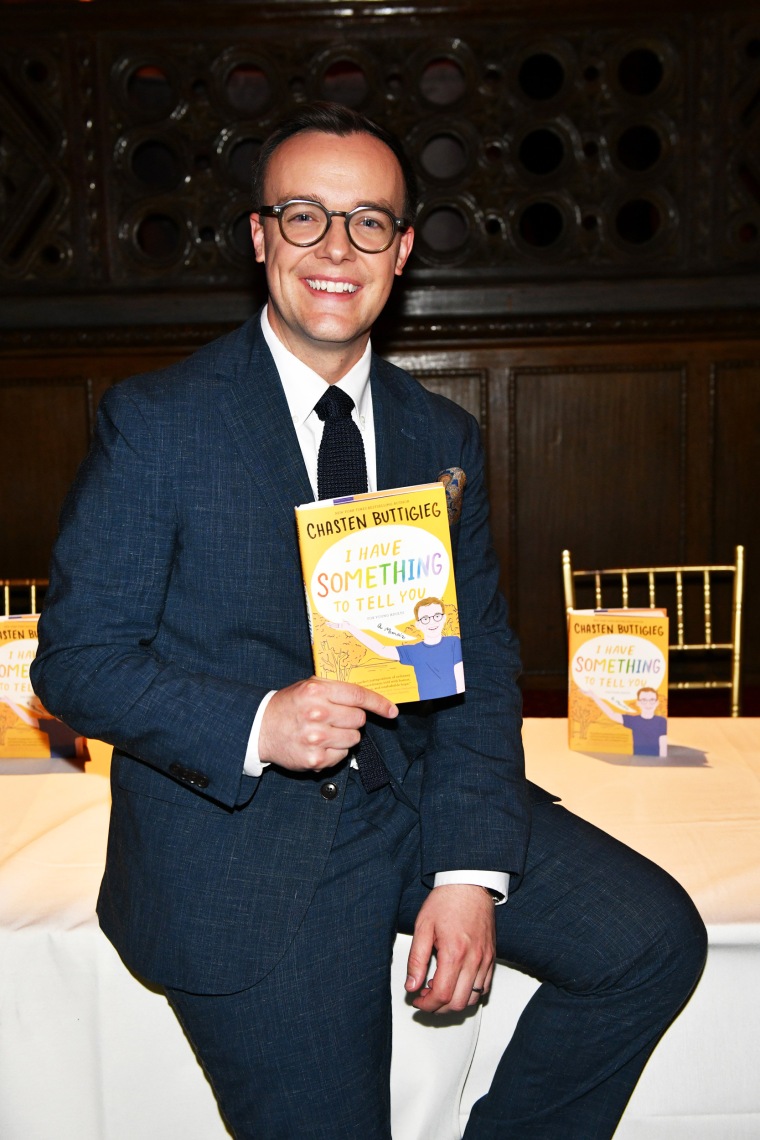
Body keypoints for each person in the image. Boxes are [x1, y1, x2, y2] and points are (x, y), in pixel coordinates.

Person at [31, 102, 706, 1139]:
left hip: (414, 793)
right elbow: (75, 665)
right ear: (259, 237)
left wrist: (468, 870)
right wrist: (259, 722)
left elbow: (475, 662)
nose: (335, 248)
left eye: (368, 223)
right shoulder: (158, 424)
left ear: (400, 254)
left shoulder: (440, 435)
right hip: (241, 841)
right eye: (304, 216)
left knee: (650, 942)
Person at [331, 596, 465, 699]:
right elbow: (381, 649)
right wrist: (350, 628)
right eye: (425, 618)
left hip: (454, 702)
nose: (432, 622)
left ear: (444, 618)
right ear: (418, 624)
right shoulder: (413, 651)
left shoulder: (453, 642)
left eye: (436, 616)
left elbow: (460, 677)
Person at [585, 686, 668, 756]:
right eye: (644, 700)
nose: (648, 704)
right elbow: (612, 714)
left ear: (657, 702)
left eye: (652, 700)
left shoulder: (661, 721)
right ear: (638, 703)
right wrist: (594, 696)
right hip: (637, 759)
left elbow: (663, 745)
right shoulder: (633, 720)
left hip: (655, 759)